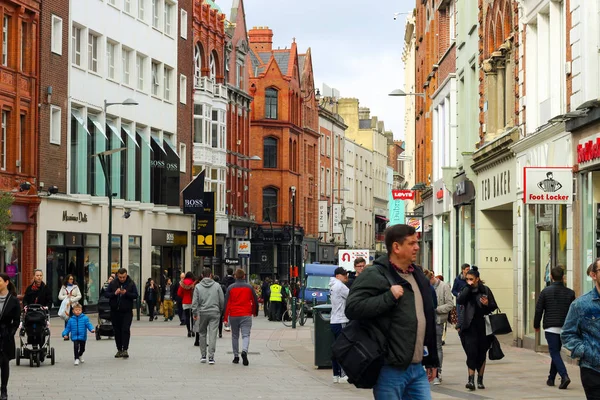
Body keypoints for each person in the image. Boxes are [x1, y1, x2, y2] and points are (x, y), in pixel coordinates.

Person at [346, 224, 439, 399]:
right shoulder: (375, 274)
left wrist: (432, 359)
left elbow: (428, 317)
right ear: (396, 247)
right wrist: (388, 297)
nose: (417, 247)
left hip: (417, 368)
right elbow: (352, 308)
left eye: (417, 243)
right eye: (412, 243)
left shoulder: (418, 275)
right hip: (390, 368)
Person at [562, 258, 600, 399]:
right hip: (594, 371)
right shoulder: (581, 305)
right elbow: (567, 334)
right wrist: (587, 352)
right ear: (593, 274)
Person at [456, 266, 498, 391]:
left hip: (484, 327)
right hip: (469, 327)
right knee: (471, 353)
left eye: (471, 279)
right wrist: (468, 288)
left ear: (477, 279)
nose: (469, 281)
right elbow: (460, 300)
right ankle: (470, 380)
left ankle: (480, 380)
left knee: (481, 354)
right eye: (467, 279)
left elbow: (493, 306)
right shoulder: (466, 289)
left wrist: (487, 304)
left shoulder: (485, 290)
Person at [534, 265, 575, 389]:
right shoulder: (570, 293)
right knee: (555, 352)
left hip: (551, 327)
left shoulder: (545, 291)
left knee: (554, 353)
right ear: (563, 277)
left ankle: (564, 376)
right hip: (565, 327)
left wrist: (536, 325)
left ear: (551, 277)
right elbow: (573, 311)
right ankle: (551, 379)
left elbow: (539, 310)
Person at [223, 269, 259, 366]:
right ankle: (244, 351)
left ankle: (236, 356)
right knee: (246, 335)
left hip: (234, 314)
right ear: (244, 276)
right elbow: (255, 300)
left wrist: (225, 317)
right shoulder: (249, 287)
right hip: (246, 314)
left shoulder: (230, 288)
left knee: (235, 336)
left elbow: (226, 303)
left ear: (235, 276)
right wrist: (255, 312)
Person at [425, 270, 454, 385]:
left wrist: (436, 309)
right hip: (427, 321)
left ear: (432, 277)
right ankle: (429, 370)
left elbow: (450, 304)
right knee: (427, 346)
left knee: (437, 346)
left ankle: (438, 372)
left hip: (438, 320)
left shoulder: (444, 286)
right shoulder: (426, 286)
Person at [104, 268, 139, 358]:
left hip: (127, 311)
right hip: (115, 311)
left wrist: (126, 293)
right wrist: (114, 293)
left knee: (125, 329)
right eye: (120, 277)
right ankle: (119, 349)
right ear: (117, 275)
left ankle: (125, 349)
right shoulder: (113, 283)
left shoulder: (131, 283)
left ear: (126, 275)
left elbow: (135, 295)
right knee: (117, 331)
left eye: (123, 277)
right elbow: (106, 294)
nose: (122, 279)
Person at [192, 268, 224, 364]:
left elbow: (194, 302)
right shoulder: (217, 286)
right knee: (213, 334)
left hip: (202, 312)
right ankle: (211, 356)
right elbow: (221, 300)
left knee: (202, 333)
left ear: (202, 275)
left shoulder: (198, 287)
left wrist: (194, 313)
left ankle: (203, 355)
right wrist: (220, 310)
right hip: (214, 312)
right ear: (211, 275)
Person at [0, 273, 21, 400]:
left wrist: (10, 333)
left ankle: (4, 389)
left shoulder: (13, 300)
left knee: (4, 363)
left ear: (6, 282)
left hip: (5, 335)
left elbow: (17, 321)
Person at [330, 266, 350, 383]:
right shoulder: (340, 286)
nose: (346, 277)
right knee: (343, 348)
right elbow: (351, 296)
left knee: (336, 348)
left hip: (334, 320)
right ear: (338, 276)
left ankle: (336, 374)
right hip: (341, 319)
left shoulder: (332, 285)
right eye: (344, 275)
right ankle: (343, 375)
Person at [58, 274, 83, 339]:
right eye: (70, 279)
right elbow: (60, 296)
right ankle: (66, 334)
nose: (71, 280)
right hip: (66, 305)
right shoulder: (64, 287)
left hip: (74, 305)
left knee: (75, 319)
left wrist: (72, 299)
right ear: (67, 279)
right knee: (67, 319)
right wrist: (66, 296)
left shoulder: (76, 287)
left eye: (72, 279)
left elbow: (79, 296)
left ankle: (74, 334)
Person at [178, 272, 196, 337]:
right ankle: (193, 330)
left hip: (185, 301)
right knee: (193, 316)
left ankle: (188, 331)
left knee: (187, 316)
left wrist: (184, 296)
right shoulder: (193, 282)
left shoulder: (182, 283)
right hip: (193, 301)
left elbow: (179, 293)